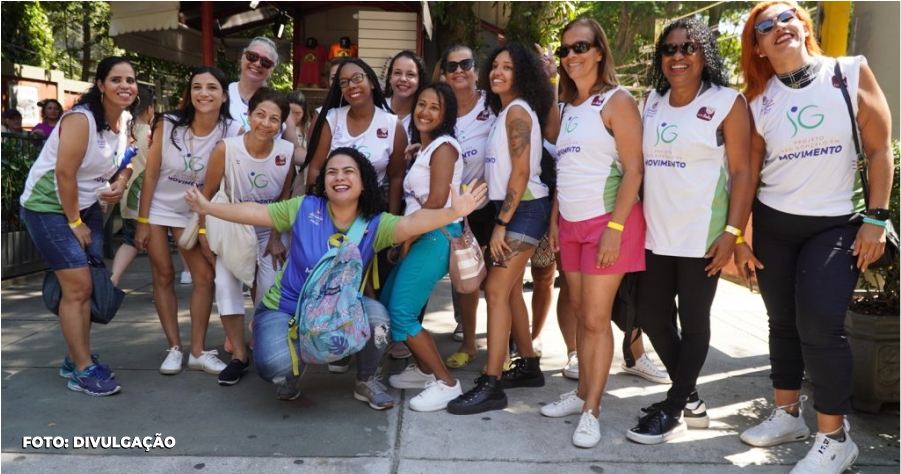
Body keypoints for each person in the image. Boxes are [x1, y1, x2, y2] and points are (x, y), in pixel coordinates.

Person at [183, 147, 488, 408]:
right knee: (273, 366)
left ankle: (366, 380)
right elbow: (253, 212)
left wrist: (452, 213)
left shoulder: (376, 224)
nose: (339, 177)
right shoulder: (303, 207)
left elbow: (412, 222)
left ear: (364, 182)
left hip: (339, 310)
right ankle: (290, 374)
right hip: (286, 308)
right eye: (332, 172)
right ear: (325, 183)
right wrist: (208, 208)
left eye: (348, 171)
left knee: (379, 319)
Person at [736, 3, 893, 473]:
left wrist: (877, 219)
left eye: (787, 17)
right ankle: (787, 415)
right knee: (782, 321)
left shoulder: (849, 73)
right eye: (765, 27)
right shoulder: (756, 100)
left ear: (804, 26)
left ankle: (835, 438)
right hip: (773, 224)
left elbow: (880, 147)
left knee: (821, 327)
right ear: (759, 49)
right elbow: (749, 173)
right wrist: (740, 233)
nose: (778, 27)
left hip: (835, 224)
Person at [625, 17, 753, 446]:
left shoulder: (727, 102)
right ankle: (690, 397)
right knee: (651, 317)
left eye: (688, 48)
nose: (677, 57)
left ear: (705, 55)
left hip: (703, 236)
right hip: (656, 235)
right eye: (670, 49)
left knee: (693, 322)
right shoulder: (652, 102)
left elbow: (742, 171)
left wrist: (733, 233)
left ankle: (674, 407)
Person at [528, 19, 645, 449]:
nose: (571, 55)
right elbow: (566, 172)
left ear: (599, 52)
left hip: (609, 225)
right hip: (572, 226)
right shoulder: (568, 107)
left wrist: (615, 229)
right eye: (565, 50)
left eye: (580, 46)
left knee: (596, 319)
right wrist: (556, 222)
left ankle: (592, 409)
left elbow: (634, 170)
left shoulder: (618, 102)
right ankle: (580, 394)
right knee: (579, 311)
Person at [446, 43, 555, 415]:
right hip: (513, 209)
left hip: (524, 211)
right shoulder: (505, 110)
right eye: (495, 66)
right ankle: (527, 364)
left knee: (494, 289)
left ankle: (492, 383)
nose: (497, 72)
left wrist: (501, 225)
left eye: (507, 67)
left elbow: (522, 172)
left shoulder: (518, 111)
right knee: (507, 293)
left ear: (522, 74)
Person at [20, 56, 137, 396]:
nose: (125, 86)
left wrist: (122, 180)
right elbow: (64, 175)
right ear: (100, 85)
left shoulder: (124, 120)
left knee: (85, 284)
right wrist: (74, 222)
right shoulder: (80, 120)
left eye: (130, 80)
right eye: (116, 79)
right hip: (49, 207)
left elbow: (125, 160)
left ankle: (76, 357)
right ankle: (82, 370)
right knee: (79, 287)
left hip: (86, 206)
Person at [135, 66, 233, 378]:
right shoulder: (169, 123)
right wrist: (142, 219)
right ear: (189, 93)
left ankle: (198, 352)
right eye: (197, 87)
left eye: (212, 87)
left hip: (193, 211)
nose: (204, 93)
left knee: (204, 277)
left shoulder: (230, 129)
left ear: (224, 95)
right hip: (158, 207)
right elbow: (150, 173)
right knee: (163, 274)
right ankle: (174, 348)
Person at [380, 83, 467, 411]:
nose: (425, 111)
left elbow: (436, 201)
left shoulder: (445, 146)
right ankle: (425, 369)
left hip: (433, 236)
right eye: (422, 105)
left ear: (446, 115)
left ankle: (447, 383)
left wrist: (405, 240)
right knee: (390, 303)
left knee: (401, 312)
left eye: (435, 107)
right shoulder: (429, 147)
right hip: (419, 233)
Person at [200, 87, 294, 386]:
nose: (266, 124)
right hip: (232, 228)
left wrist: (277, 237)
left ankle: (267, 349)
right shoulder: (226, 148)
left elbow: (284, 198)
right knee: (226, 286)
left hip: (270, 230)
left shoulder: (286, 152)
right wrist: (204, 235)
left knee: (270, 294)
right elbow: (208, 195)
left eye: (274, 119)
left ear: (282, 124)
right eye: (260, 115)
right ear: (250, 115)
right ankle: (239, 355)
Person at [433, 45, 498, 371]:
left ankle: (506, 343)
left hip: (490, 204)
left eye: (466, 64)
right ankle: (470, 344)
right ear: (443, 73)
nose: (459, 70)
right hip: (453, 209)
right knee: (468, 279)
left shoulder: (493, 101)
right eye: (451, 65)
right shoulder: (440, 107)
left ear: (476, 69)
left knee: (497, 283)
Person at [303, 58, 407, 214]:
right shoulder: (331, 120)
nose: (351, 85)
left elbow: (396, 178)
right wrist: (313, 211)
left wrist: (392, 222)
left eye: (357, 78)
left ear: (372, 82)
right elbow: (316, 168)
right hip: (331, 208)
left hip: (370, 210)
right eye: (344, 82)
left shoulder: (393, 125)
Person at [111, 85, 156, 286]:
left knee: (130, 241)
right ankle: (159, 286)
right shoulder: (153, 133)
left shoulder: (123, 133)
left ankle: (113, 279)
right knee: (156, 245)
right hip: (151, 198)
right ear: (149, 110)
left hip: (127, 194)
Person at [228, 37, 279, 135]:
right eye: (252, 56)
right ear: (243, 57)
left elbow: (294, 146)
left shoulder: (279, 102)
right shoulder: (224, 94)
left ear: (271, 70)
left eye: (265, 62)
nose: (257, 63)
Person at [384, 50, 427, 142]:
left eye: (410, 74)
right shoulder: (376, 108)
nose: (403, 79)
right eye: (397, 73)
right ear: (390, 78)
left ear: (420, 80)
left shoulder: (425, 116)